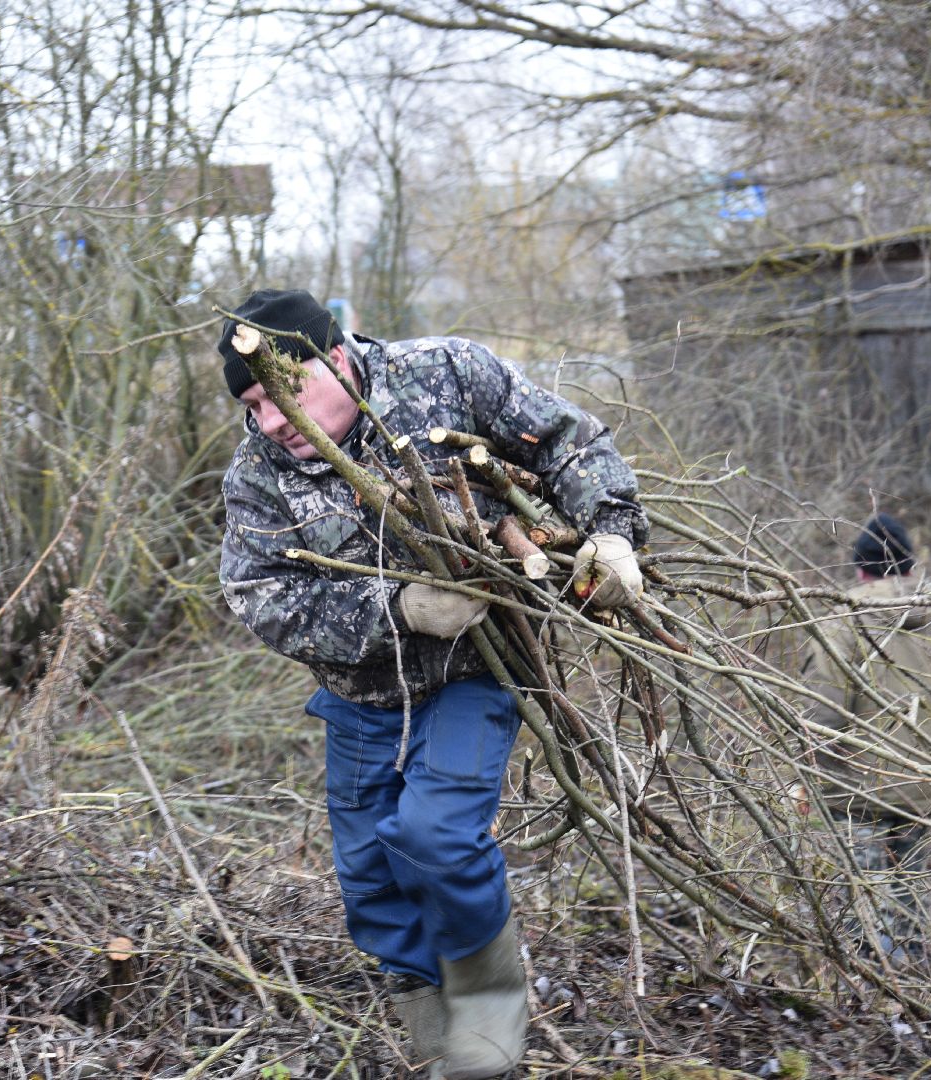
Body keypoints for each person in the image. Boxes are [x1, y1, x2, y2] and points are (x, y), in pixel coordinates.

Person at [216, 289, 648, 1078]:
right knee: (370, 879)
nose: (273, 420)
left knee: (436, 837)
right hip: (360, 695)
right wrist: (397, 608)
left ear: (336, 360)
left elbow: (568, 441)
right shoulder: (258, 476)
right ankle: (424, 1020)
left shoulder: (445, 373)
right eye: (252, 404)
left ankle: (489, 1028)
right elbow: (260, 599)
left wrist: (614, 532)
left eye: (283, 393)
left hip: (475, 672)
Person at [802, 512, 931, 962]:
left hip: (856, 789)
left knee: (863, 899)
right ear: (910, 567)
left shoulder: (841, 619)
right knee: (909, 888)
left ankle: (871, 991)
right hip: (925, 782)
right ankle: (907, 976)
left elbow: (823, 709)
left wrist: (809, 772)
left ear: (860, 569)